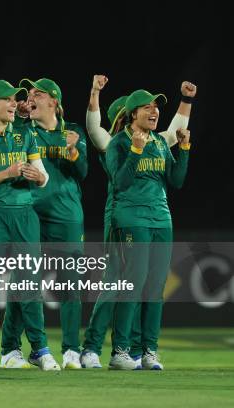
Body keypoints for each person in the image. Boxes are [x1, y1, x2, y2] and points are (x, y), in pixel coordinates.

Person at [81, 76, 196, 369]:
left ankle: (146, 351)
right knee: (124, 284)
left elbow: (177, 181)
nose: (154, 111)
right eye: (146, 107)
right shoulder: (116, 143)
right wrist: (134, 150)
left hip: (161, 219)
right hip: (128, 218)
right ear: (132, 113)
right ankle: (114, 350)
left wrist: (183, 149)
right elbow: (120, 181)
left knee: (154, 287)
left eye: (155, 107)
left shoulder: (159, 142)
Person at [0, 79, 59, 371]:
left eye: (15, 100)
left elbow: (44, 177)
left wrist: (37, 177)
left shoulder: (24, 136)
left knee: (28, 285)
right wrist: (6, 173)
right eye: (8, 100)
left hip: (24, 215)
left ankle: (40, 349)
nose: (14, 105)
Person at [14, 77, 88, 369]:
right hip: (29, 214)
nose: (31, 97)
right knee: (24, 283)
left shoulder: (72, 132)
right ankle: (16, 349)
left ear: (54, 101)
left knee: (71, 283)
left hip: (66, 217)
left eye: (38, 93)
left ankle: (71, 350)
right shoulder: (23, 131)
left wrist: (72, 150)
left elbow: (82, 171)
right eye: (29, 93)